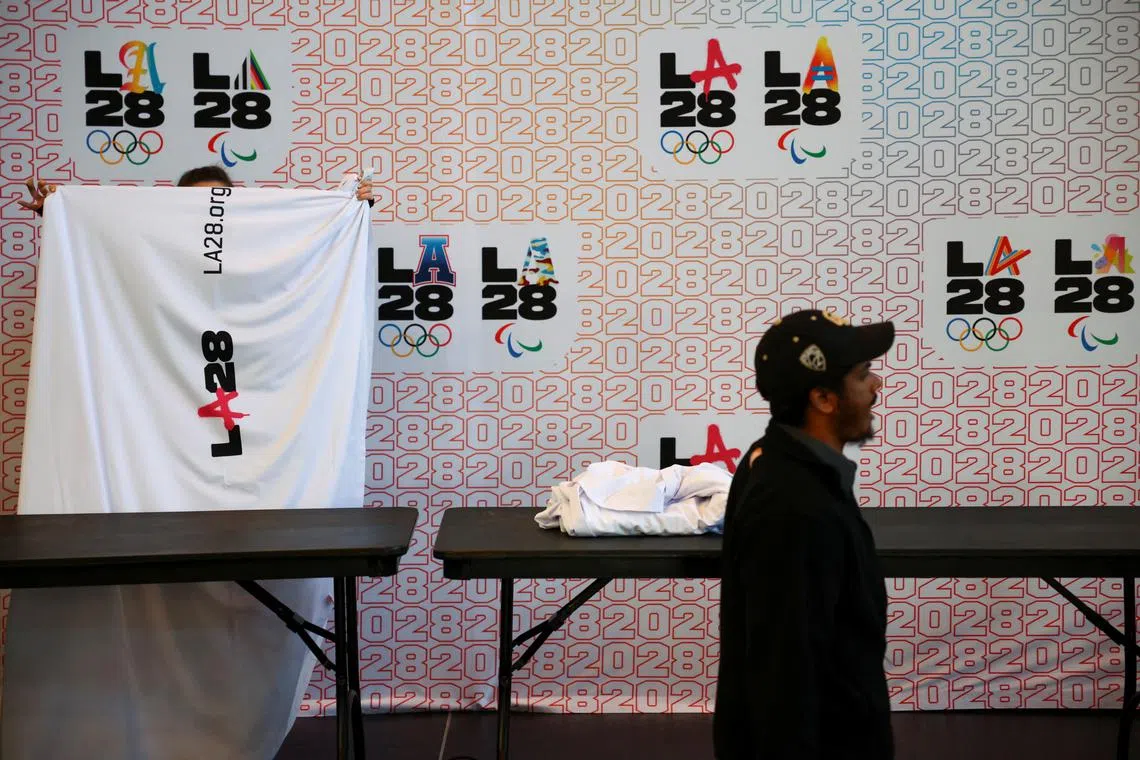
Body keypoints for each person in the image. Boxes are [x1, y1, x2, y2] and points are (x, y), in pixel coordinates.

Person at [714, 308, 896, 760]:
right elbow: (785, 671)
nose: (876, 386)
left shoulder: (779, 460)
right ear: (823, 398)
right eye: (862, 375)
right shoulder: (794, 507)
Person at [18, 164, 374, 213]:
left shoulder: (260, 239)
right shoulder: (156, 235)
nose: (210, 205)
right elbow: (108, 238)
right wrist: (59, 211)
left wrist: (350, 210)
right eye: (198, 199)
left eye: (218, 197)